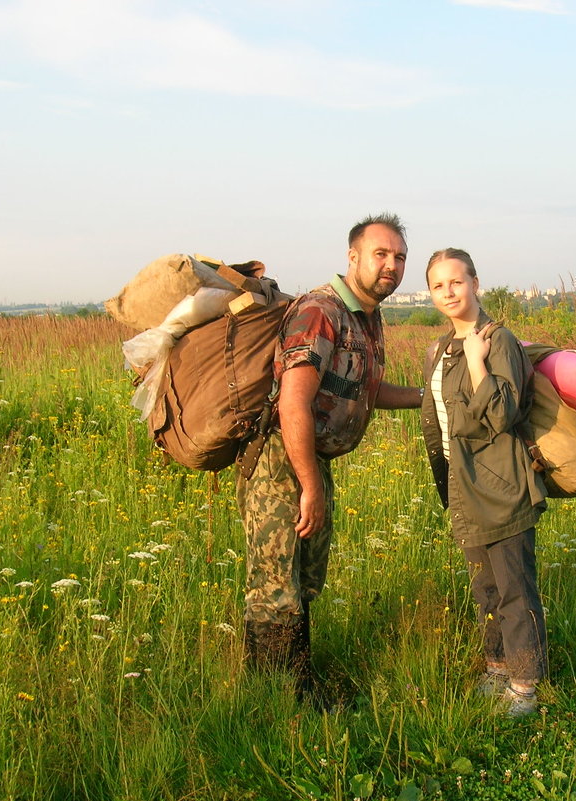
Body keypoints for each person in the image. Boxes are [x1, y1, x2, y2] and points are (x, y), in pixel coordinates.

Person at [239, 212, 421, 699]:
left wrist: (433, 396)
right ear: (353, 257)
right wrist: (310, 486)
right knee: (277, 585)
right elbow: (293, 400)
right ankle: (275, 701)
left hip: (310, 462)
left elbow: (369, 389)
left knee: (304, 581)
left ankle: (295, 688)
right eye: (381, 254)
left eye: (399, 257)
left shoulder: (367, 317)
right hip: (283, 460)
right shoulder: (321, 310)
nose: (391, 265)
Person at [419, 248, 549, 717]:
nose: (448, 292)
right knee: (486, 589)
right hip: (465, 487)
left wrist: (477, 361)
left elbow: (501, 414)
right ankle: (498, 669)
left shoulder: (498, 341)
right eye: (438, 285)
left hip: (502, 486)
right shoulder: (439, 349)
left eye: (457, 282)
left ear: (476, 283)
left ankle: (525, 685)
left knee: (514, 587)